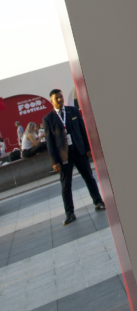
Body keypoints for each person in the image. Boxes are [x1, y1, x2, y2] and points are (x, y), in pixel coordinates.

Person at [43, 89, 106, 225]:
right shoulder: (48, 119)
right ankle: (70, 213)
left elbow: (83, 131)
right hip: (63, 156)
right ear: (51, 101)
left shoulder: (73, 111)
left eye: (61, 97)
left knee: (89, 177)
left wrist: (88, 148)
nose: (60, 100)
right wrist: (54, 161)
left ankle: (98, 202)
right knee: (66, 185)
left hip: (79, 151)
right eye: (56, 98)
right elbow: (50, 143)